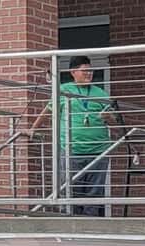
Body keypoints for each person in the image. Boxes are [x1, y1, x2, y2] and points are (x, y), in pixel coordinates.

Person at [58, 55, 115, 216]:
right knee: (72, 189)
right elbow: (49, 112)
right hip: (72, 149)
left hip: (98, 150)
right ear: (73, 72)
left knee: (94, 192)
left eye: (90, 71)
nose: (89, 74)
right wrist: (32, 129)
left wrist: (109, 118)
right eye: (85, 71)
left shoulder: (100, 93)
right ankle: (71, 224)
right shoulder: (64, 90)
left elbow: (114, 121)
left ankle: (90, 225)